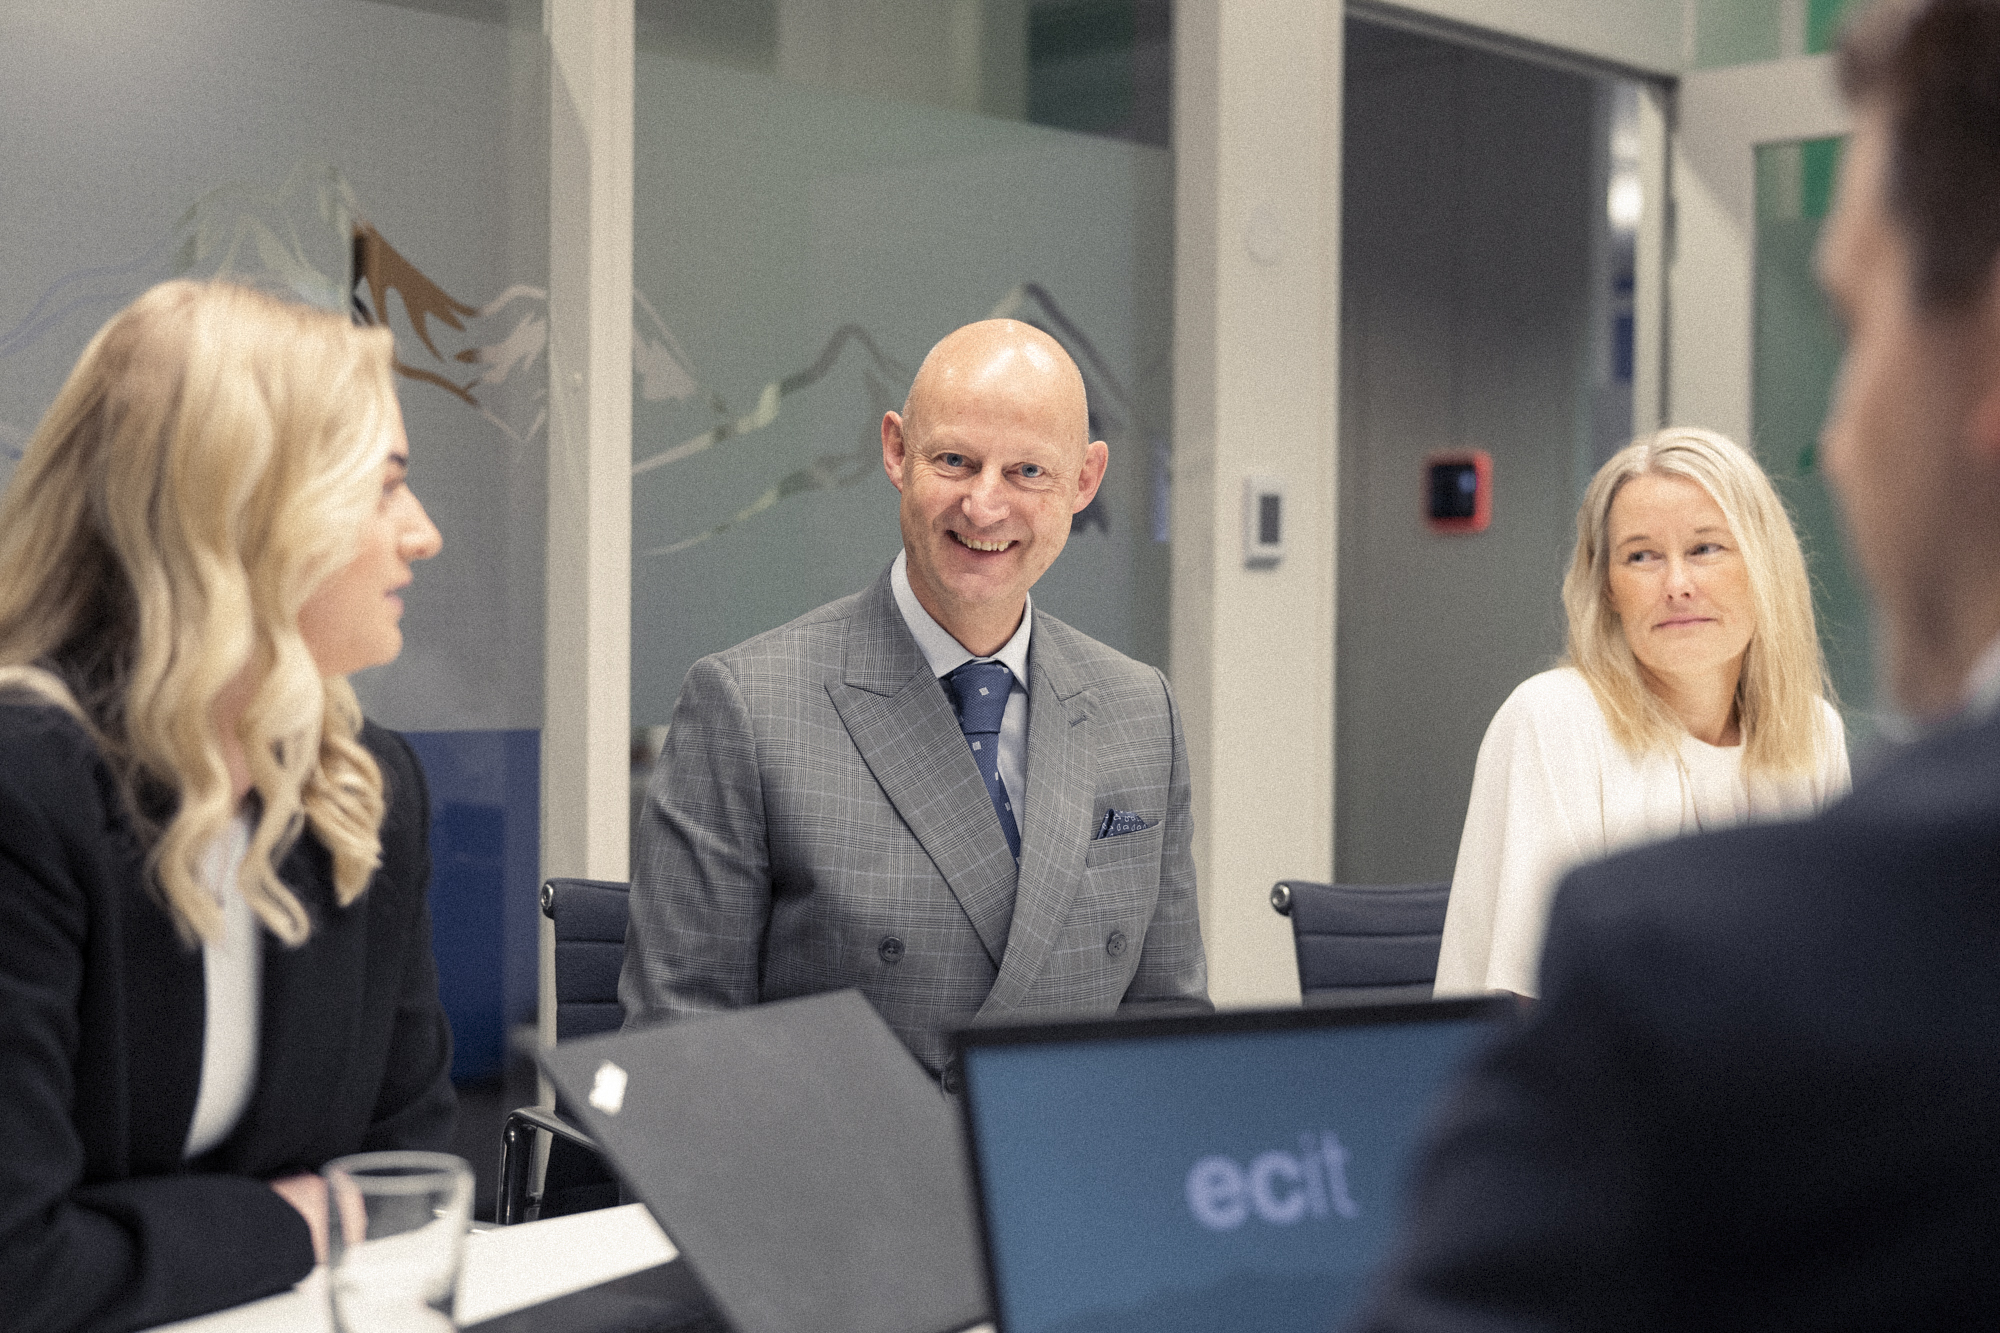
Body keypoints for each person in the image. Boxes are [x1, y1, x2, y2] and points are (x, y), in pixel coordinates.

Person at [1350, 1, 2000, 1326]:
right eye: (1642, 557)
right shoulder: (1560, 728)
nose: (1842, 434)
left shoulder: (1688, 936)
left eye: (1853, 322)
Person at [0, 280, 452, 1333]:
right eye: (384, 488)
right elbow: (17, 1267)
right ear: (248, 516)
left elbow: (401, 1175)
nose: (422, 534)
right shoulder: (25, 792)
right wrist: (292, 1220)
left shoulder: (365, 791)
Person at [621, 318, 1208, 1086]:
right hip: (838, 1162)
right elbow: (680, 1051)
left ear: (1085, 480)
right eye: (955, 461)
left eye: (1029, 471)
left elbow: (1169, 1033)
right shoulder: (748, 709)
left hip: (1069, 1157)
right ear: (896, 451)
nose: (985, 506)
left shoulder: (1142, 712)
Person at [1434, 428, 1850, 999]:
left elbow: (1835, 977)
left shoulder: (1812, 731)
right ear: (1608, 587)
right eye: (1642, 556)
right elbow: (1538, 1000)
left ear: (1764, 565)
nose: (1677, 585)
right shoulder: (1554, 718)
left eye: (1705, 549)